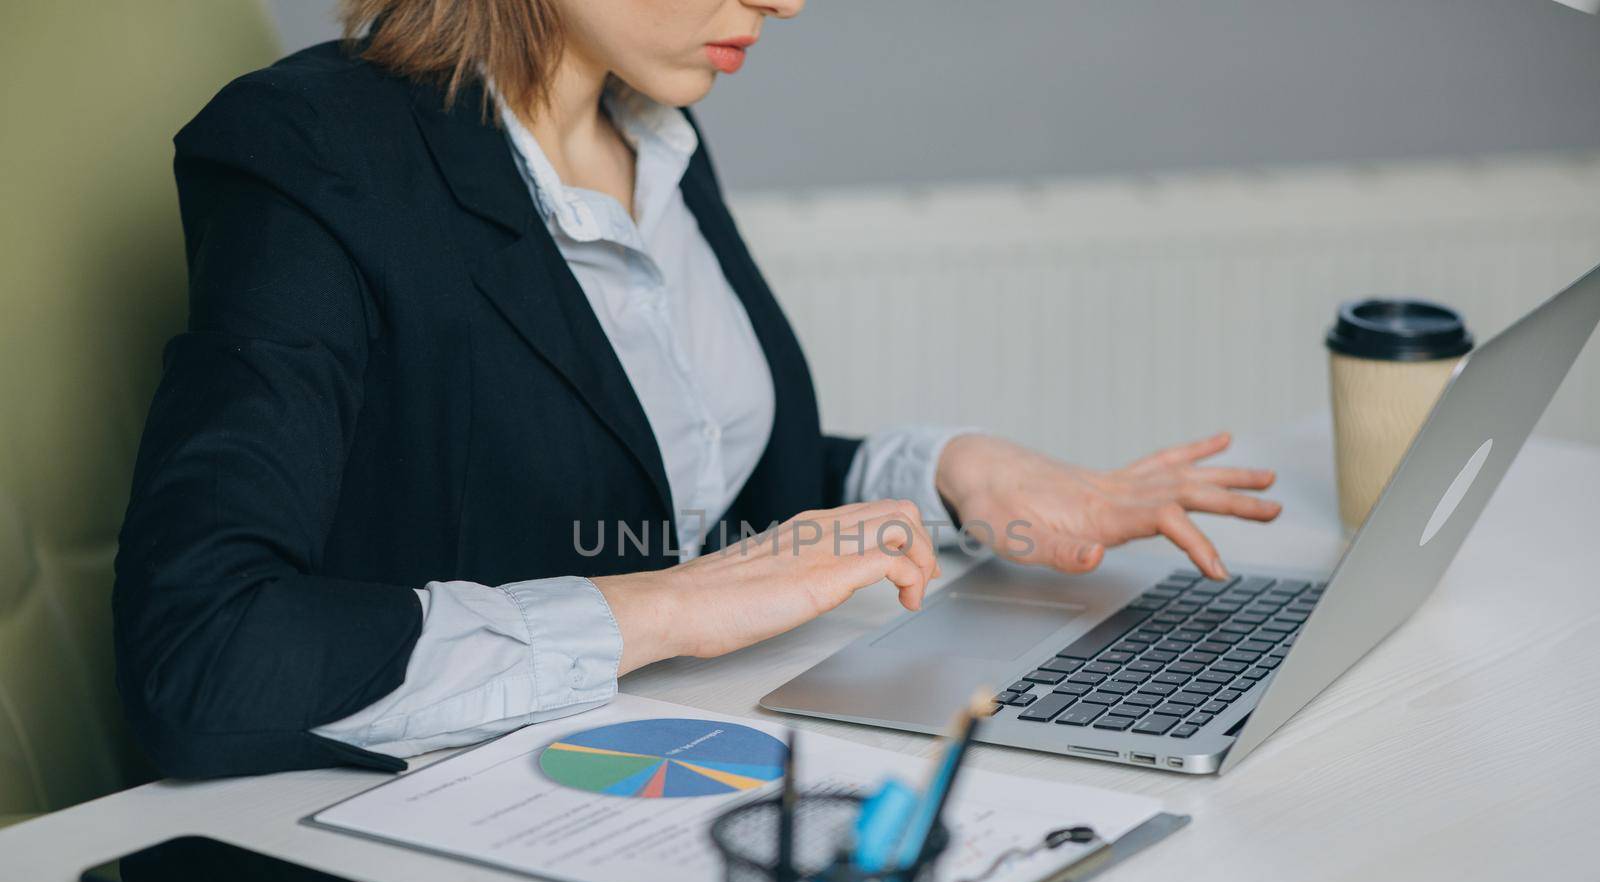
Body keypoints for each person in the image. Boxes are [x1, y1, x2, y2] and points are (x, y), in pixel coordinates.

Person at [113, 0, 1282, 779]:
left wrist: (952, 473)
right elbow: (201, 650)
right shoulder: (312, 151)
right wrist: (659, 608)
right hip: (428, 829)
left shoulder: (649, 126)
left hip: (664, 756)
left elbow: (678, 489)